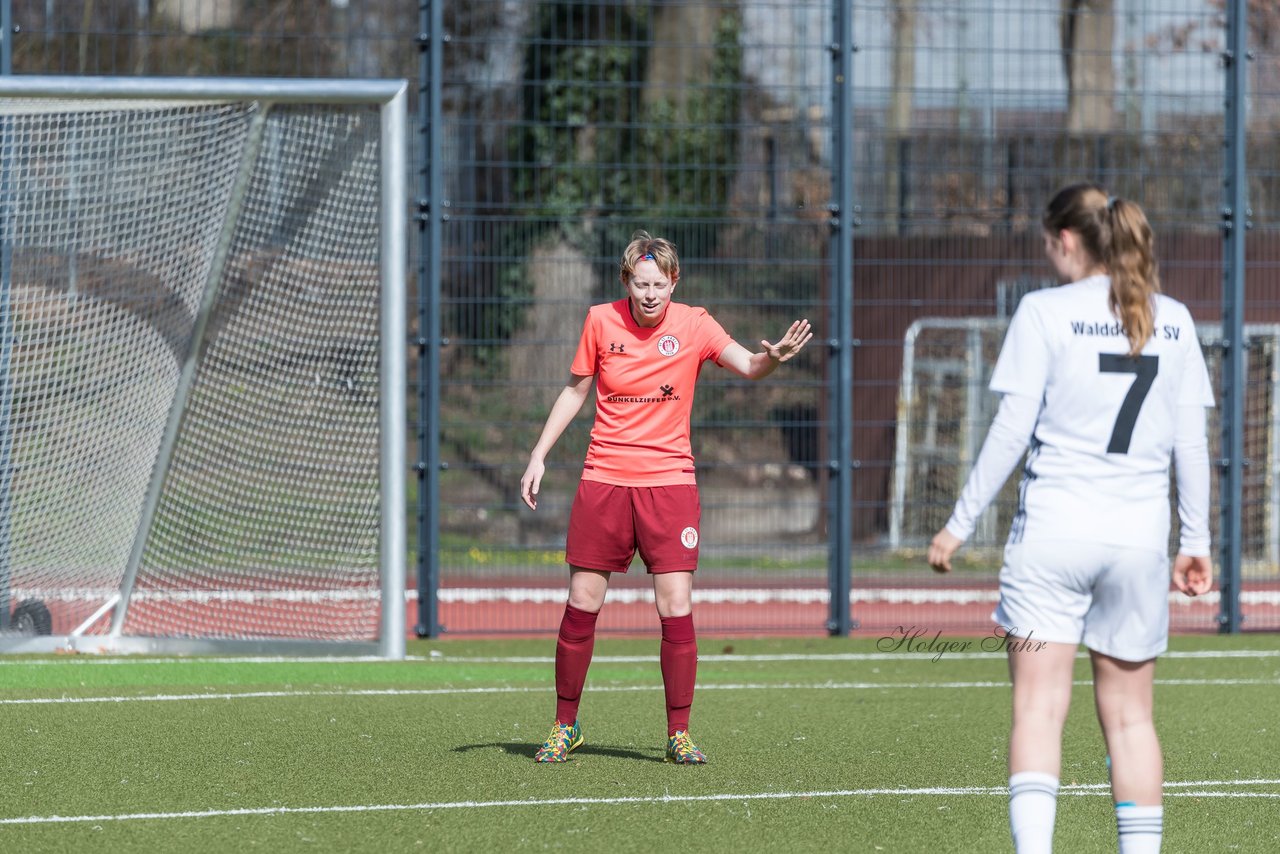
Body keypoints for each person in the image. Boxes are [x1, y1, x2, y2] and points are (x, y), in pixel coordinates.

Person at [927, 183, 1214, 853]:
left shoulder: (1043, 311)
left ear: (1065, 241)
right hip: (1139, 542)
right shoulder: (1173, 318)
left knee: (1037, 709)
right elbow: (1192, 444)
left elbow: (1010, 429)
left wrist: (958, 523)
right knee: (1132, 720)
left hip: (1052, 537)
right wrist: (1194, 541)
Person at [519, 230, 812, 765]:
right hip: (603, 480)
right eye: (641, 284)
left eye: (660, 284)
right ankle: (565, 725)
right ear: (625, 282)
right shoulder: (599, 320)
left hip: (670, 485)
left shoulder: (696, 324)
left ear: (675, 281)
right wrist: (539, 455)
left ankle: (679, 734)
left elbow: (748, 365)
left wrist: (775, 358)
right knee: (582, 603)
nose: (650, 294)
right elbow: (575, 390)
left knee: (675, 607)